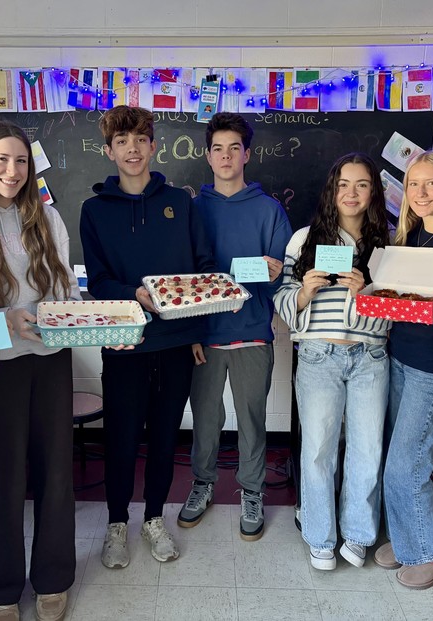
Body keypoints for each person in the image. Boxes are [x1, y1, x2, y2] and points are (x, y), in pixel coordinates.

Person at [80, 105, 216, 569]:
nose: (132, 149)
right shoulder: (94, 211)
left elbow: (201, 269)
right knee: (120, 437)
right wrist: (134, 294)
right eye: (122, 142)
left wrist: (196, 331)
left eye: (140, 139)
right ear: (109, 150)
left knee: (163, 437)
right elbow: (97, 281)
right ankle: (117, 522)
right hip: (124, 343)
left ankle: (155, 518)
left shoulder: (181, 201)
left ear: (153, 145)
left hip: (176, 342)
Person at [0, 121, 79, 621]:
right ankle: (0, 589)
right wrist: (5, 324)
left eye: (21, 162)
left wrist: (76, 318)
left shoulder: (48, 218)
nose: (12, 172)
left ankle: (53, 579)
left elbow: (67, 291)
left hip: (50, 361)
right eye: (1, 161)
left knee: (56, 474)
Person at [177, 112, 292, 540]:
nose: (226, 156)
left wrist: (274, 269)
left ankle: (252, 490)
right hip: (204, 339)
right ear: (207, 156)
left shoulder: (269, 210)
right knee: (205, 418)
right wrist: (190, 332)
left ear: (247, 154)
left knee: (252, 419)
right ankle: (202, 484)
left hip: (253, 334)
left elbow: (282, 275)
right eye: (217, 149)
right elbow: (184, 279)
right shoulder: (191, 210)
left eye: (234, 148)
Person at [273, 153, 391, 571]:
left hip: (371, 356)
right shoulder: (305, 239)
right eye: (343, 184)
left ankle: (358, 534)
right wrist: (304, 291)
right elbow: (283, 301)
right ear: (331, 190)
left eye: (361, 184)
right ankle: (320, 535)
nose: (351, 193)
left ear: (373, 191)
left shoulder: (388, 242)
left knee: (367, 448)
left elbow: (401, 308)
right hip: (318, 355)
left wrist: (372, 291)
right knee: (319, 448)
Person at [374, 151, 433, 589]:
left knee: (407, 463)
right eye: (414, 184)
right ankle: (408, 540)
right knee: (400, 453)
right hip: (401, 356)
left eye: (431, 183)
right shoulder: (408, 235)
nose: (422, 193)